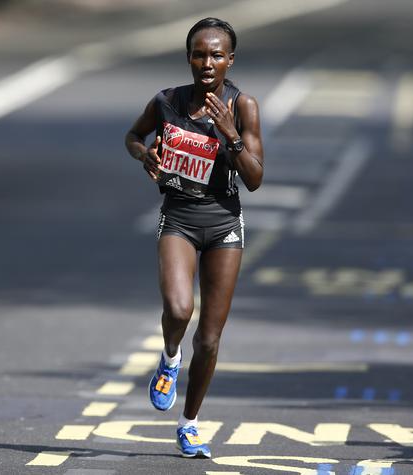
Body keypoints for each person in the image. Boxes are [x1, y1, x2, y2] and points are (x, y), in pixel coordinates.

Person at [124, 17, 264, 458]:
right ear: (188, 58)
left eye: (217, 55)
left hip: (224, 223)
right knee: (179, 308)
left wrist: (231, 138)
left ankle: (189, 424)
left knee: (209, 337)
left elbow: (256, 179)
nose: (208, 63)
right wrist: (145, 154)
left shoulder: (243, 106)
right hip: (179, 219)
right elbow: (132, 135)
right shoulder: (167, 102)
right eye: (200, 54)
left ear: (230, 60)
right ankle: (168, 358)